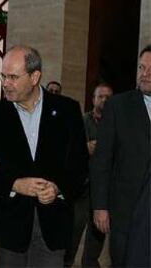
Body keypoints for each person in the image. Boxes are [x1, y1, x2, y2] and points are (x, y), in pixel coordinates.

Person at [0, 45, 88, 267]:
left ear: (35, 77)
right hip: (10, 226)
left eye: (13, 77)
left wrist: (58, 188)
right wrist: (14, 185)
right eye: (3, 76)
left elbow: (80, 167)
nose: (5, 83)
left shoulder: (67, 111)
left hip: (54, 224)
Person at [90, 44, 151, 267]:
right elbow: (102, 160)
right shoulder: (119, 106)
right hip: (126, 212)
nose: (145, 74)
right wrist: (100, 206)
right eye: (142, 68)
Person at [64, 82, 113, 267]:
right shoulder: (82, 121)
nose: (105, 100)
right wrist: (85, 148)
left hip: (104, 190)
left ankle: (90, 263)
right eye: (101, 96)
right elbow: (69, 151)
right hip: (82, 189)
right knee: (73, 232)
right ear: (93, 99)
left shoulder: (116, 123)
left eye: (108, 97)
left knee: (97, 235)